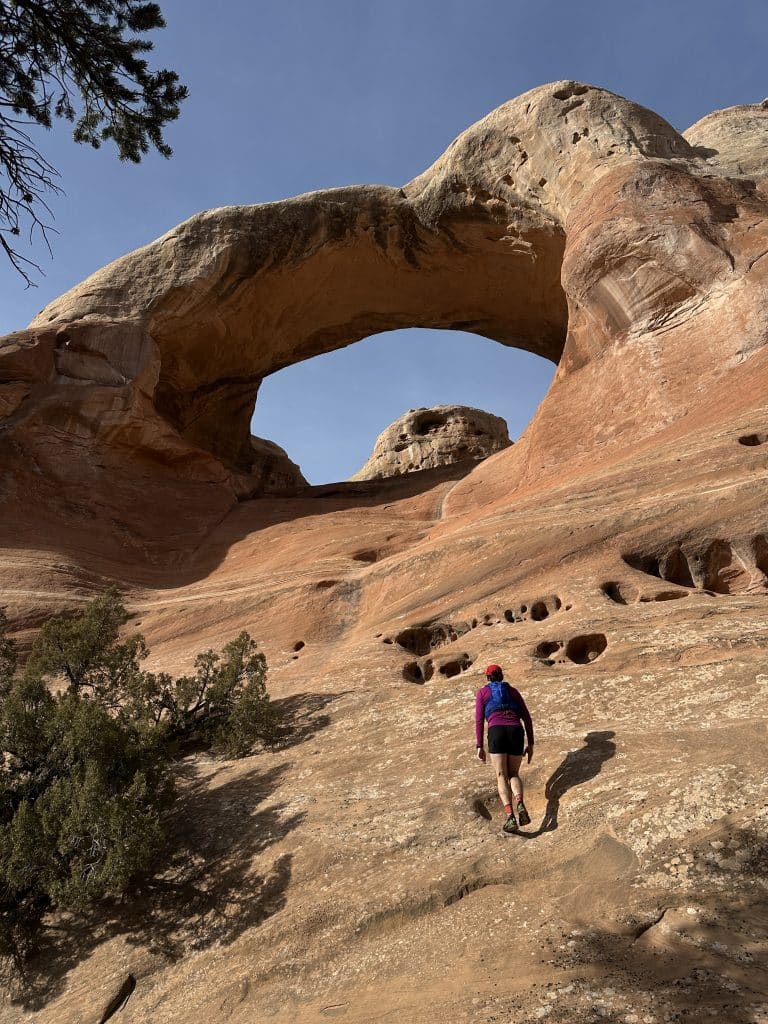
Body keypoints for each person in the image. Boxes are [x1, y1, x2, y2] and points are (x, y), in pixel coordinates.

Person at [475, 664, 534, 833]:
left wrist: (479, 745)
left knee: (501, 775)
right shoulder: (513, 691)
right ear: (502, 676)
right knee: (514, 774)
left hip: (496, 731)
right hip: (516, 730)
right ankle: (520, 803)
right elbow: (527, 718)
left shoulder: (482, 693)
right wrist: (531, 744)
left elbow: (479, 720)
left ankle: (510, 817)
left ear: (488, 678)